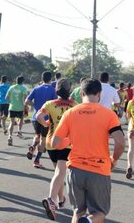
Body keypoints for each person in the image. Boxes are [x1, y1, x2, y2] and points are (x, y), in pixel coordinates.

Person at [51, 78, 125, 223]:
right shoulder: (109, 114)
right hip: (99, 169)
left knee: (78, 212)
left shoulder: (70, 113)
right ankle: (89, 221)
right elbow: (120, 142)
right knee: (99, 212)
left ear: (81, 93)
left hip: (75, 169)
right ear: (99, 94)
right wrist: (114, 159)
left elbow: (56, 143)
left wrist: (70, 140)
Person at [36, 79, 77, 221]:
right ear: (69, 90)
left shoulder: (50, 104)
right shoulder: (74, 106)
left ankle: (60, 199)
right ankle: (52, 199)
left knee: (58, 173)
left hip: (51, 142)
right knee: (60, 172)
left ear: (57, 91)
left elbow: (38, 116)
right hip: (66, 142)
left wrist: (45, 123)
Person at [25, 71, 57, 168]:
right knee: (43, 139)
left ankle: (33, 147)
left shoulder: (36, 88)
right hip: (46, 118)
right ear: (50, 79)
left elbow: (26, 101)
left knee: (37, 135)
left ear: (42, 78)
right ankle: (37, 159)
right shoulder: (53, 90)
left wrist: (35, 105)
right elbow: (55, 104)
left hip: (35, 117)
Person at [5, 76, 28, 146]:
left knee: (12, 122)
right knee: (21, 119)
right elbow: (25, 100)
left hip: (12, 107)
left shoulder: (11, 87)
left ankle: (10, 136)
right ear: (23, 82)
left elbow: (6, 97)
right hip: (20, 107)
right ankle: (19, 131)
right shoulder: (23, 88)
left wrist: (12, 102)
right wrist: (26, 107)